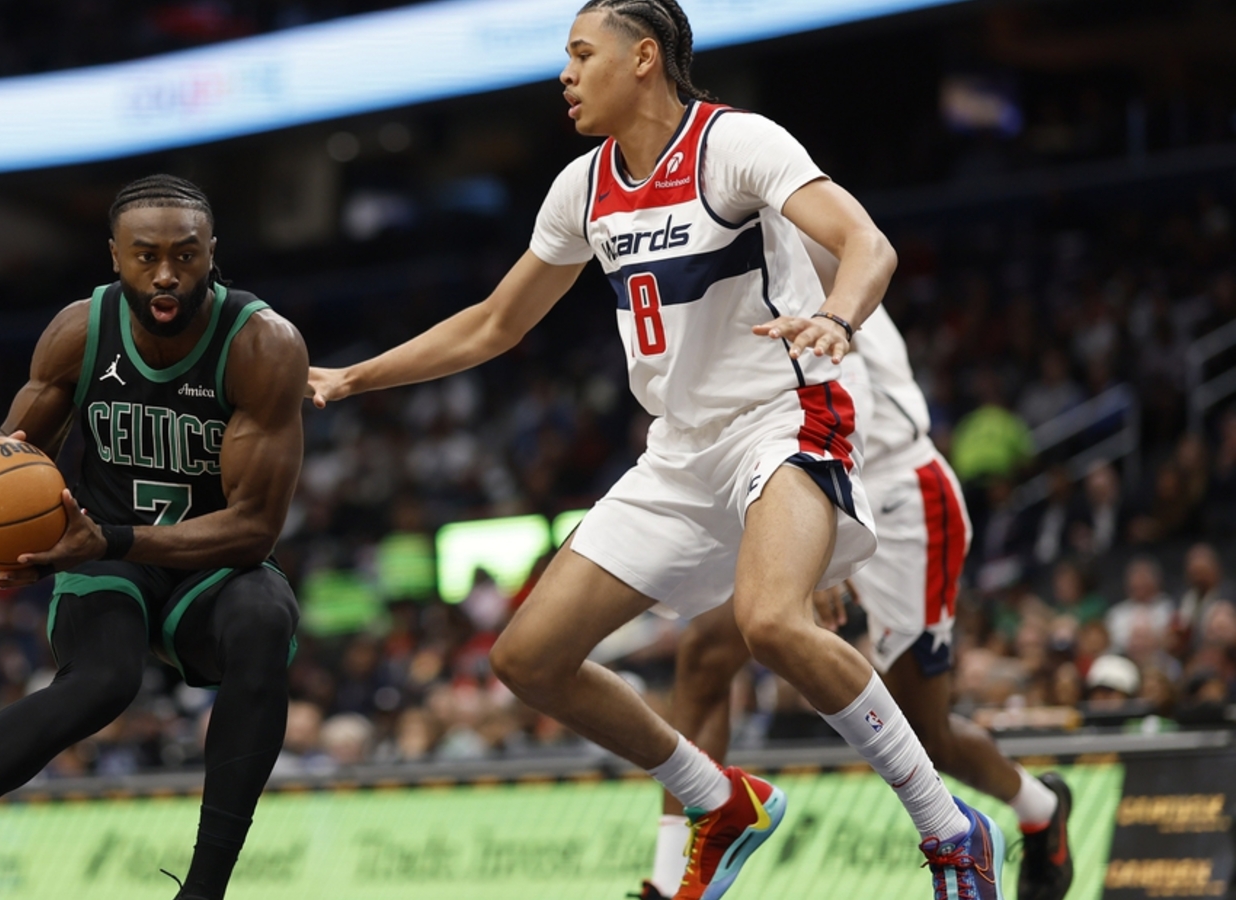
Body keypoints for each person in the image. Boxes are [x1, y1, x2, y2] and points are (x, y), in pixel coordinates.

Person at [309, 2, 1002, 896]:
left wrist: (835, 316)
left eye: (580, 53)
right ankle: (719, 799)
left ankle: (950, 829)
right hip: (679, 451)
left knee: (771, 623)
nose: (564, 72)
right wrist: (352, 379)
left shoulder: (737, 143)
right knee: (528, 659)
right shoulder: (582, 186)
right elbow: (493, 323)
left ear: (644, 58)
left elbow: (867, 242)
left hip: (782, 417)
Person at [0, 175, 308, 900]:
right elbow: (13, 458)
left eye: (185, 255)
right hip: (105, 563)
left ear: (211, 255)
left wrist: (107, 539)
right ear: (114, 257)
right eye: (145, 256)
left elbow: (255, 529)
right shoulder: (79, 331)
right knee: (104, 678)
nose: (165, 273)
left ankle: (203, 892)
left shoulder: (262, 345)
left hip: (207, 565)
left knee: (264, 619)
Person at [634, 297, 1073, 900]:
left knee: (926, 730)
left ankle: (1041, 807)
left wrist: (826, 532)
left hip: (890, 488)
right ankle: (669, 877)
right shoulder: (725, 248)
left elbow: (843, 385)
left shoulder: (809, 234)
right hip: (783, 469)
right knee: (706, 652)